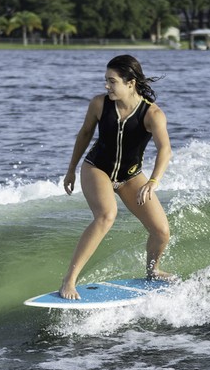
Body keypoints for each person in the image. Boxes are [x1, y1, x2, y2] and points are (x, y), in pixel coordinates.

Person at [59, 54, 173, 299]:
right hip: (97, 168)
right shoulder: (99, 104)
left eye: (112, 81)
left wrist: (153, 181)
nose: (107, 86)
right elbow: (85, 133)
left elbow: (165, 149)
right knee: (106, 215)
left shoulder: (152, 114)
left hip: (130, 176)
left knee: (161, 231)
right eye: (106, 80)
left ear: (130, 83)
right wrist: (71, 169)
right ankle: (69, 280)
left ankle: (153, 271)